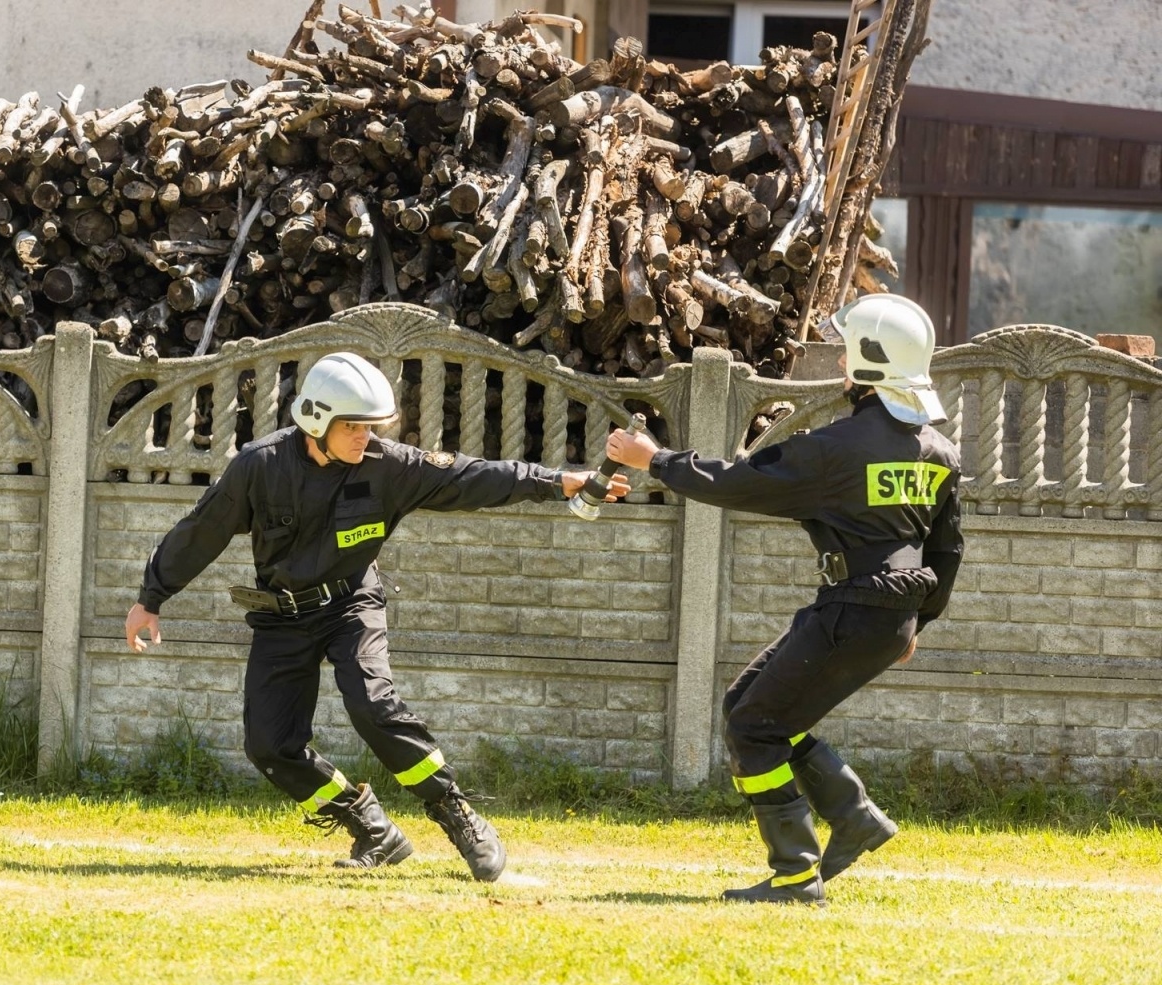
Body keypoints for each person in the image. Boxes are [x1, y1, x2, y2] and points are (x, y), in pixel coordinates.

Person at [125, 351, 628, 882]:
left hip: (351, 605)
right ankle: (369, 826)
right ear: (315, 420)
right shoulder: (260, 466)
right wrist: (151, 597)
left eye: (370, 426)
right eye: (353, 427)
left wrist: (557, 481)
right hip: (284, 615)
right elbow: (201, 530)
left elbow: (471, 476)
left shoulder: (389, 465)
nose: (364, 437)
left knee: (373, 706)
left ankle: (457, 813)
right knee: (269, 746)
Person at [605, 293, 964, 904]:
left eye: (847, 353)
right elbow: (947, 551)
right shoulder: (940, 451)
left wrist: (655, 460)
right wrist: (917, 626)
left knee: (755, 728)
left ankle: (797, 874)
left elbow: (738, 482)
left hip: (852, 610)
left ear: (868, 363)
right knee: (747, 705)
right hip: (885, 618)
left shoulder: (836, 448)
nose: (841, 363)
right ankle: (852, 816)